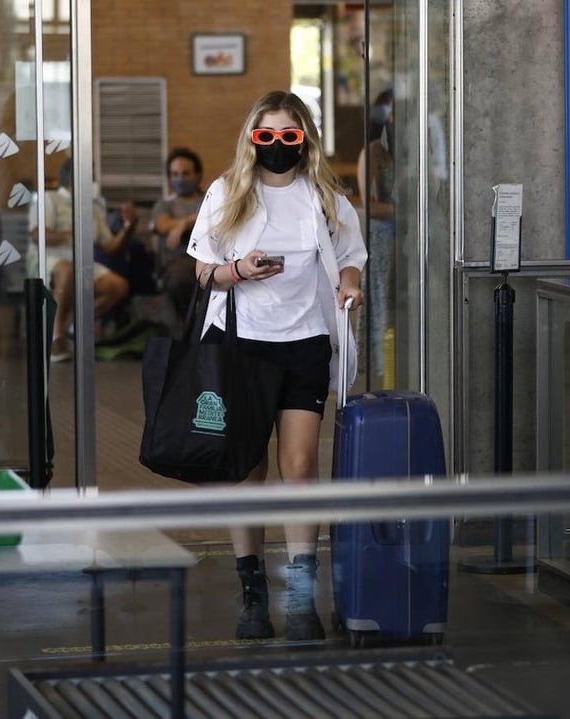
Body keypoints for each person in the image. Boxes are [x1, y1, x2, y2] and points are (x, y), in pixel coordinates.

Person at [187, 90, 366, 641]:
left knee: (301, 464)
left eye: (289, 136)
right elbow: (202, 273)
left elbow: (351, 261)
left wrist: (349, 291)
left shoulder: (328, 199)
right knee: (245, 466)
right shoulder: (226, 193)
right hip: (241, 344)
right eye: (266, 137)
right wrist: (238, 269)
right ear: (251, 140)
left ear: (304, 139)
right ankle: (251, 592)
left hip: (305, 341)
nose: (277, 146)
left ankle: (300, 595)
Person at [28, 159, 133, 362]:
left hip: (80, 261)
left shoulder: (92, 208)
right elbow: (37, 235)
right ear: (72, 177)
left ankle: (71, 326)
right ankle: (55, 338)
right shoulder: (49, 199)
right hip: (49, 258)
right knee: (67, 270)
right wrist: (72, 234)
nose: (93, 180)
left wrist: (127, 227)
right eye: (89, 175)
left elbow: (110, 247)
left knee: (117, 286)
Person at [357, 87, 395, 385]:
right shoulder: (372, 151)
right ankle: (382, 365)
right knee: (382, 297)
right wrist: (404, 212)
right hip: (383, 234)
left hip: (405, 234)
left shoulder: (412, 149)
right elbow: (368, 205)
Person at [150, 147, 205, 316]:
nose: (180, 179)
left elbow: (218, 219)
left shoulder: (210, 198)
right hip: (178, 262)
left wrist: (183, 224)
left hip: (210, 257)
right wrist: (190, 221)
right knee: (180, 279)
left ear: (197, 175)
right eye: (175, 174)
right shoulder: (164, 205)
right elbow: (163, 226)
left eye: (185, 173)